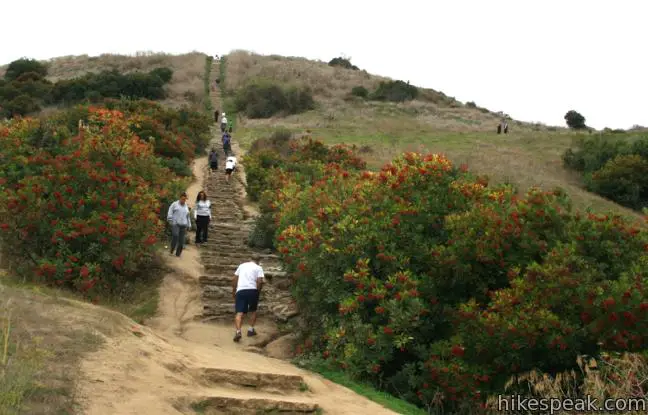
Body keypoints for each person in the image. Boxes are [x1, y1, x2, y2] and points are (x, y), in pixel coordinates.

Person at [231, 253, 265, 342]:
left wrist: (234, 290)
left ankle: (238, 331)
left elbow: (234, 279)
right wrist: (258, 291)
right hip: (252, 290)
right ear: (258, 261)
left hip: (241, 290)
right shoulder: (259, 268)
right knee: (253, 311)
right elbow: (260, 281)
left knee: (239, 313)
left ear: (250, 258)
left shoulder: (242, 266)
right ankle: (250, 330)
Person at [167, 192, 192, 257]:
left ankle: (178, 254)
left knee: (181, 241)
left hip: (183, 225)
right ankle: (172, 250)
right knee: (175, 235)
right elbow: (170, 211)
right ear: (180, 198)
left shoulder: (186, 206)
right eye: (182, 199)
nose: (183, 201)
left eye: (184, 199)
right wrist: (170, 219)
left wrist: (189, 225)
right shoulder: (174, 204)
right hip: (175, 223)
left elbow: (187, 216)